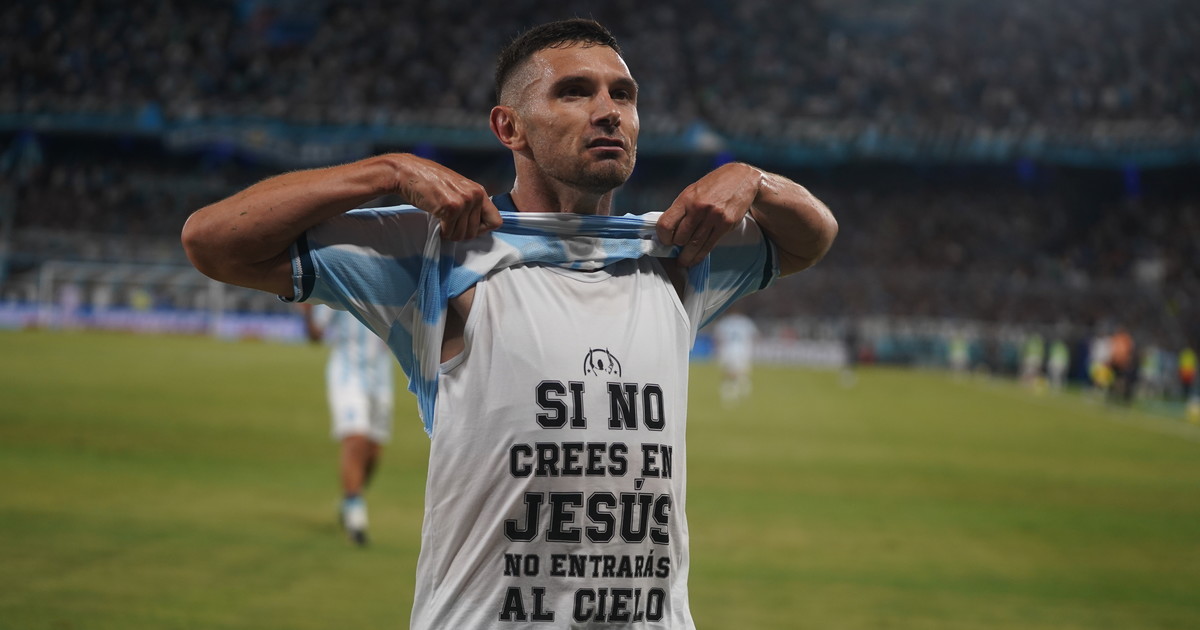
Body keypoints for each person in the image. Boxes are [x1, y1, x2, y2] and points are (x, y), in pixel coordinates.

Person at [181, 18, 837, 628]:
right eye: (574, 92)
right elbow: (212, 242)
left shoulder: (676, 247)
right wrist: (386, 171)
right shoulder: (439, 248)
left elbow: (812, 239)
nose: (608, 110)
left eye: (623, 94)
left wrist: (755, 180)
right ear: (509, 127)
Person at [302, 303, 395, 546]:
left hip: (381, 377)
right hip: (348, 375)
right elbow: (316, 334)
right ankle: (355, 516)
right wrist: (307, 312)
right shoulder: (343, 289)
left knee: (373, 451)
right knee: (356, 439)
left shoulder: (389, 290)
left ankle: (349, 499)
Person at [711, 307, 759, 405]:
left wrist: (718, 350)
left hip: (728, 350)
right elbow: (754, 336)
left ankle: (730, 393)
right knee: (742, 372)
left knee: (729, 373)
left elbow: (717, 338)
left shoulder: (725, 322)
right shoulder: (745, 321)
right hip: (743, 350)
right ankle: (743, 391)